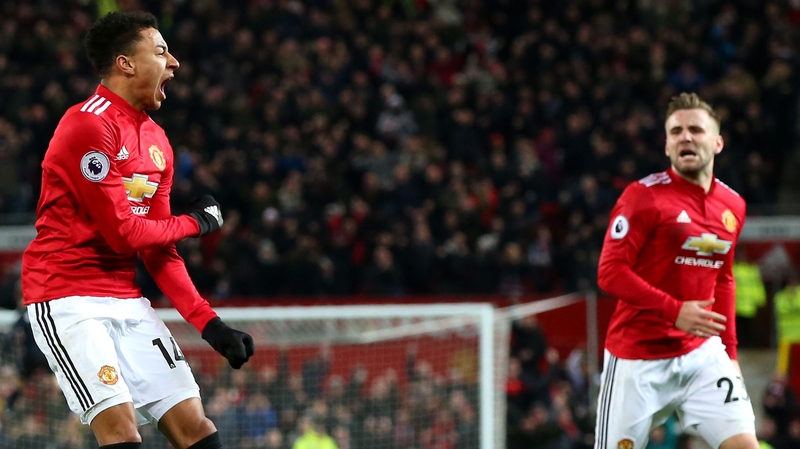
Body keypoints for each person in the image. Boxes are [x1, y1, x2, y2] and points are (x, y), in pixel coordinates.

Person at [20, 11, 255, 449]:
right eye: (162, 51)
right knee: (122, 431)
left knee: (195, 427)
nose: (175, 63)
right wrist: (196, 222)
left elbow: (158, 247)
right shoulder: (87, 123)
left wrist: (210, 324)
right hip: (67, 297)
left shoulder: (158, 142)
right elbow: (125, 234)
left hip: (126, 298)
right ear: (126, 63)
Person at [594, 92, 758, 449]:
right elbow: (609, 272)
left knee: (746, 445)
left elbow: (724, 278)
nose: (686, 137)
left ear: (717, 143)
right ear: (667, 146)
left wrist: (730, 354)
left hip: (702, 354)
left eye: (696, 130)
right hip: (638, 358)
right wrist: (674, 310)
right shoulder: (642, 197)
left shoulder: (733, 205)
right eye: (676, 131)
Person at [732, 249, 766, 348]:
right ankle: (739, 346)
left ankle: (748, 345)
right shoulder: (732, 268)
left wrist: (760, 300)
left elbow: (758, 285)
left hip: (748, 304)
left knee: (748, 327)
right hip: (735, 304)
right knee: (737, 328)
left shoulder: (751, 270)